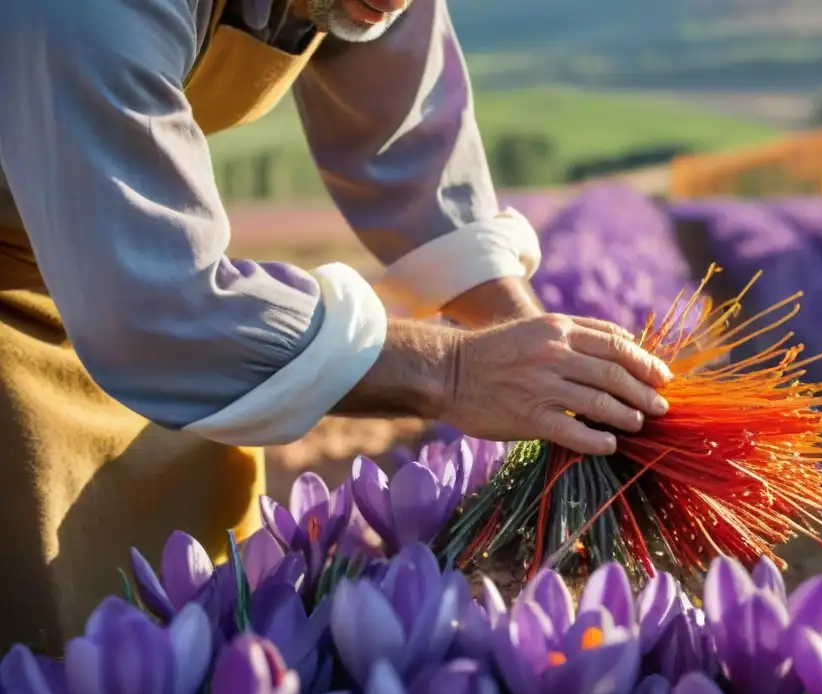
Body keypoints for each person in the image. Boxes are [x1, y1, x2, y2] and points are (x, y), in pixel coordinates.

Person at [0, 0, 670, 653]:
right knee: (40, 641)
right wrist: (452, 371)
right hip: (94, 295)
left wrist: (534, 348)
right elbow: (156, 312)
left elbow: (407, 145)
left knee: (201, 622)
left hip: (112, 260)